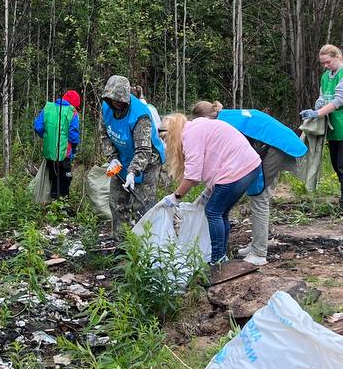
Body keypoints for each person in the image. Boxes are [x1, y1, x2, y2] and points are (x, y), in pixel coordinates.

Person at [191, 101, 308, 266]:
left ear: (206, 119)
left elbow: (232, 164)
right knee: (260, 195)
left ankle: (259, 253)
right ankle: (257, 244)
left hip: (275, 146)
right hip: (270, 144)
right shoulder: (225, 118)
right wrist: (206, 193)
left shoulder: (223, 125)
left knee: (259, 197)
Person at [159, 112, 263, 266]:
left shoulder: (190, 135)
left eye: (165, 138)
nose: (166, 143)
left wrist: (175, 197)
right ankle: (222, 256)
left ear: (172, 131)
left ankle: (217, 259)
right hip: (249, 166)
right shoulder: (196, 127)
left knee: (213, 211)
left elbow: (192, 177)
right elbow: (211, 162)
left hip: (237, 169)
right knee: (221, 212)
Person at [301, 45, 343, 211]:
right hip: (334, 127)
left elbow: (339, 100)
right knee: (337, 165)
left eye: (327, 62)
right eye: (322, 63)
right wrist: (318, 105)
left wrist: (317, 113)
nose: (325, 66)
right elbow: (323, 96)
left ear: (337, 57)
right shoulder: (326, 76)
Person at [99, 75, 166, 233]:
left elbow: (144, 150)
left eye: (119, 101)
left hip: (148, 161)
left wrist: (133, 172)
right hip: (122, 159)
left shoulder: (140, 115)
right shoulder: (106, 108)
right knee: (117, 201)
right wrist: (113, 159)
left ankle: (147, 243)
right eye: (113, 100)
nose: (116, 103)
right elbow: (104, 135)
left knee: (142, 204)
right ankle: (122, 242)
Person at [32, 90, 82, 200]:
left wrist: (47, 136)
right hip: (65, 155)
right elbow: (73, 136)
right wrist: (73, 150)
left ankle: (53, 206)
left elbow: (38, 127)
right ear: (74, 104)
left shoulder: (48, 108)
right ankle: (62, 209)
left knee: (53, 179)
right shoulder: (72, 112)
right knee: (64, 181)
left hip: (49, 153)